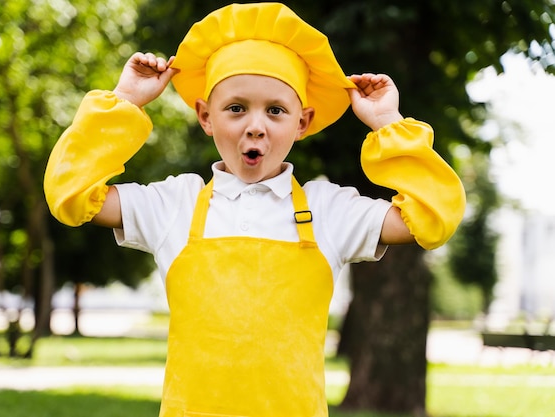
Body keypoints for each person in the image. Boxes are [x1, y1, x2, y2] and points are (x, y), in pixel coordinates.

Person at [44, 3, 465, 416]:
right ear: (206, 117)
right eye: (236, 108)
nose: (256, 125)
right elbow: (71, 193)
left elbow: (433, 216)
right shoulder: (175, 204)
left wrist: (387, 123)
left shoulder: (329, 210)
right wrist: (124, 101)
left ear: (303, 122)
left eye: (276, 110)